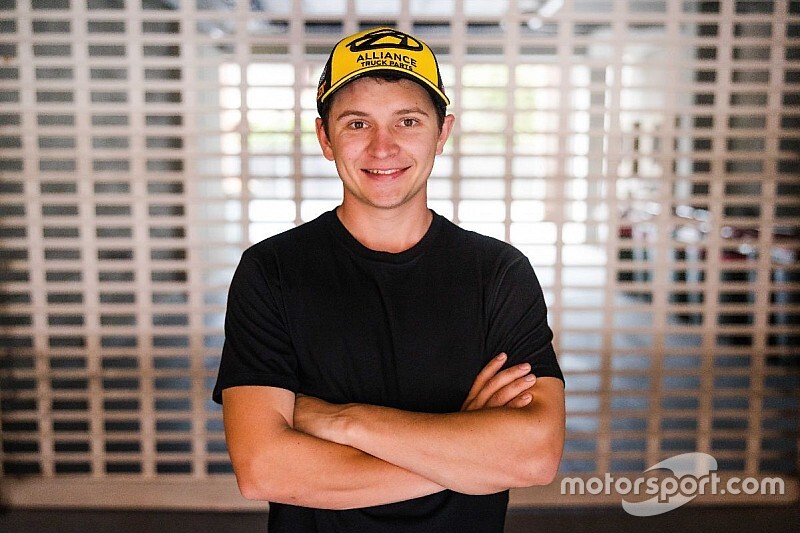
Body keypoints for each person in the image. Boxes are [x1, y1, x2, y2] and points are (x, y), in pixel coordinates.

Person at [212, 26, 565, 532]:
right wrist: (467, 450)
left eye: (408, 121)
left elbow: (534, 457)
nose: (383, 147)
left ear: (442, 134)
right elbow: (264, 470)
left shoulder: (498, 273)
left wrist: (339, 421)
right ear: (325, 138)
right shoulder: (272, 271)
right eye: (358, 123)